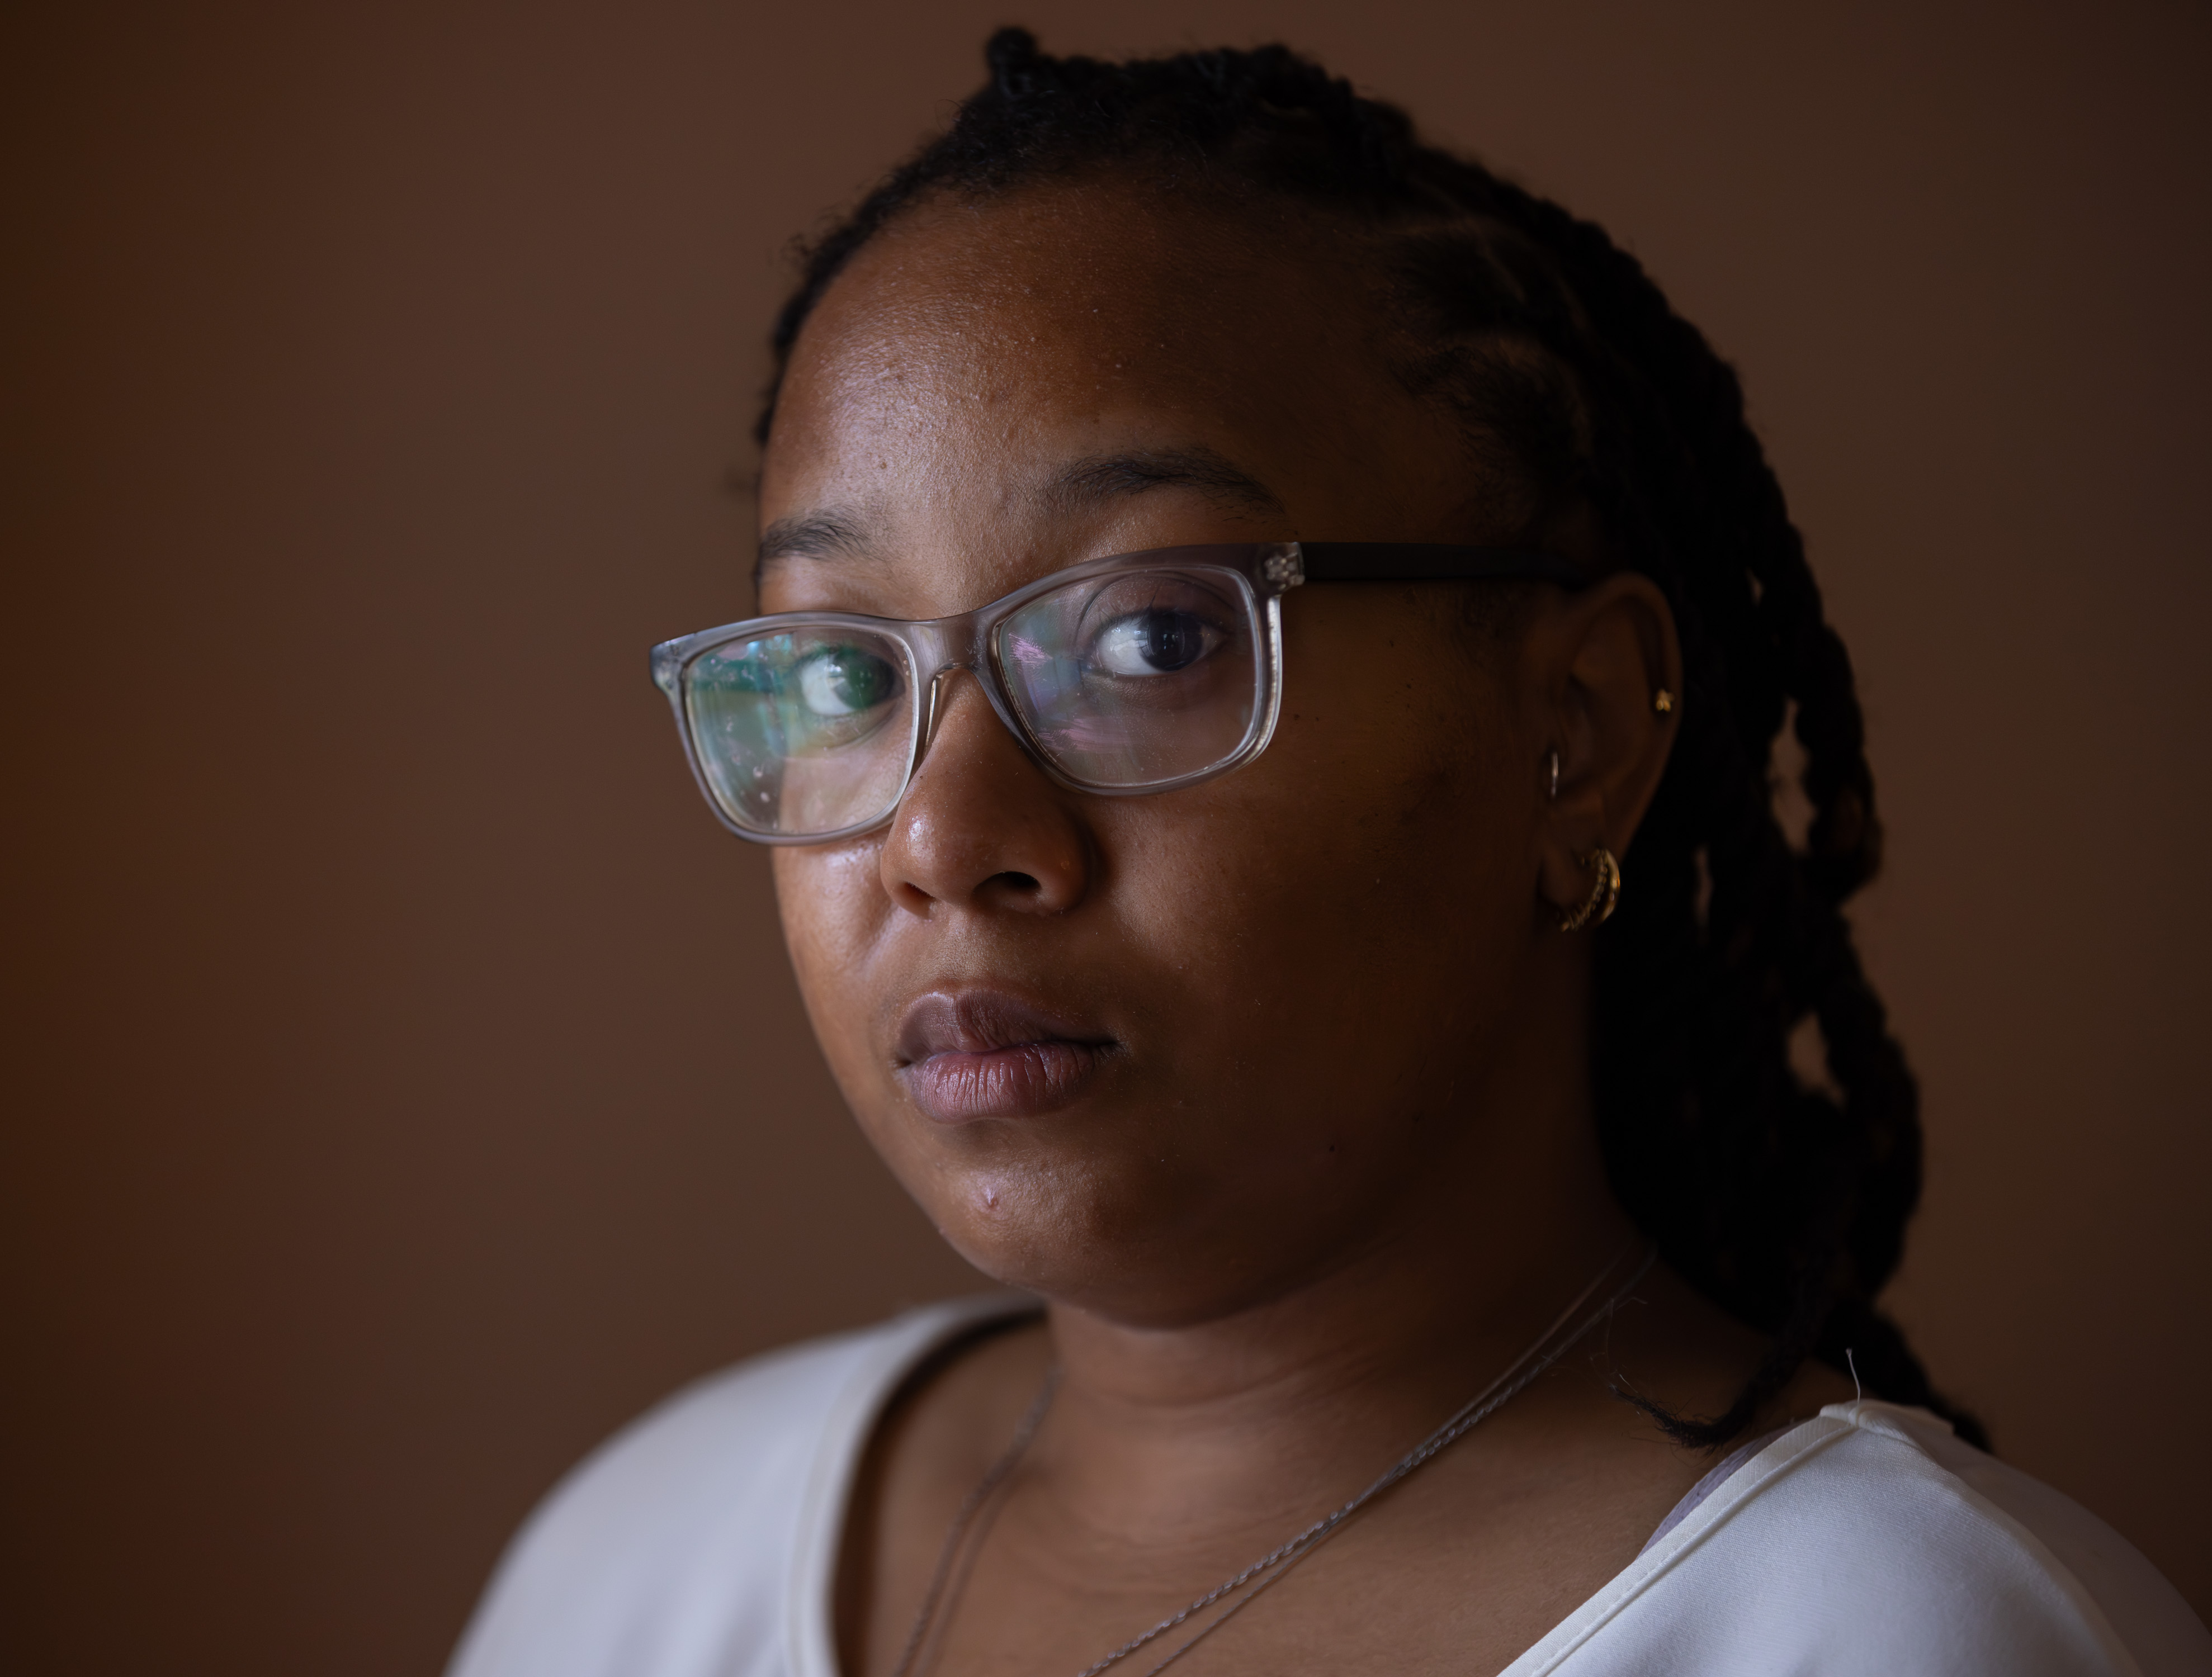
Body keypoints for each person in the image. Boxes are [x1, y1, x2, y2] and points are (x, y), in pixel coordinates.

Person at [449, 30, 2209, 1677]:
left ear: (1575, 732)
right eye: (840, 670)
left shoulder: (1890, 1635)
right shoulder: (643, 1569)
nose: (941, 838)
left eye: (1146, 639)